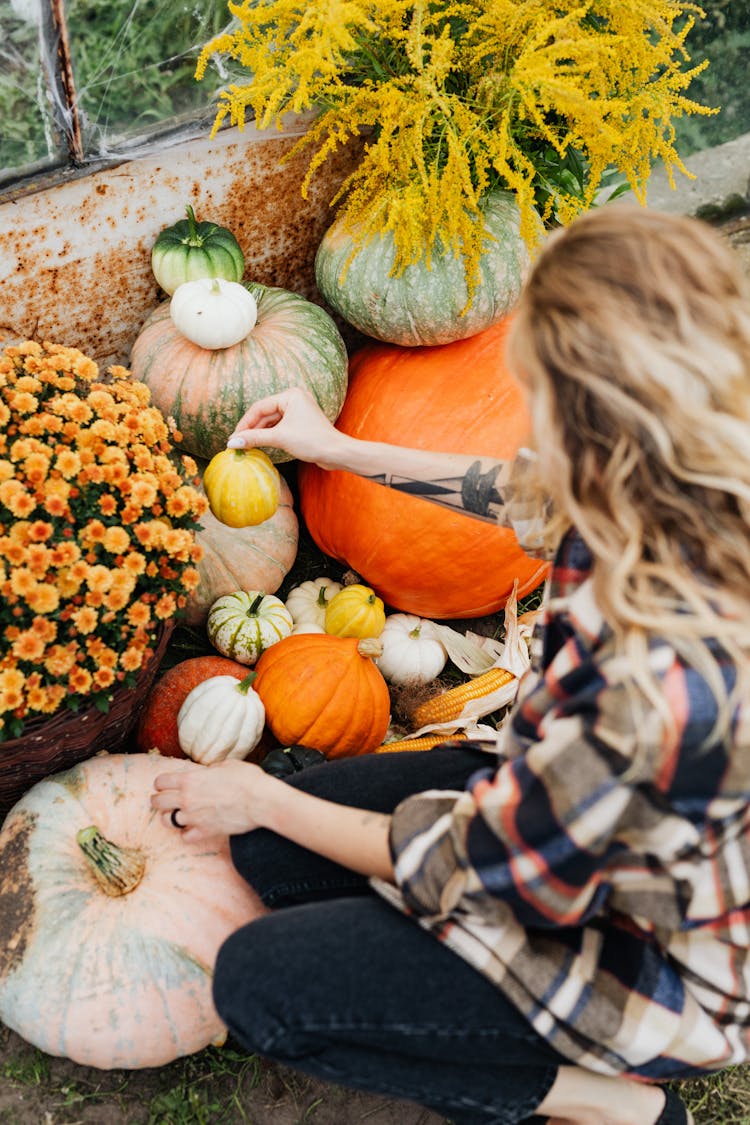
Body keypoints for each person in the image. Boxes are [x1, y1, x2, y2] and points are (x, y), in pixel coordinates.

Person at [150, 204, 750, 1125]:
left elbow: (485, 865)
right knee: (272, 854)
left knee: (263, 981)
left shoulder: (661, 683)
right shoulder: (672, 472)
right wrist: (335, 449)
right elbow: (513, 489)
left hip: (654, 962)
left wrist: (264, 795)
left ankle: (614, 1103)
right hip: (584, 824)